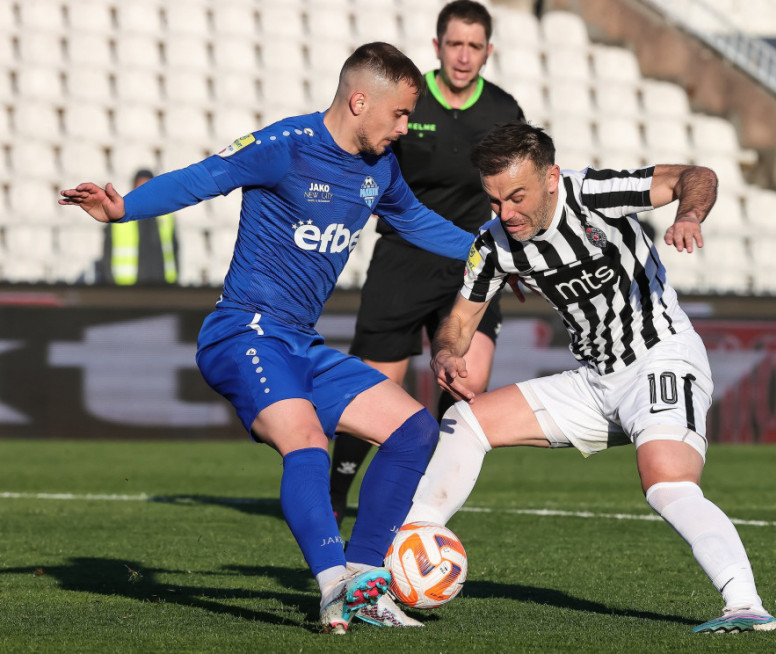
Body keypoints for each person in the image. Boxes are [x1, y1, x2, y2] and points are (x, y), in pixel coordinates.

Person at [59, 43, 474, 634]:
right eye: (401, 113)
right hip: (243, 330)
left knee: (414, 431)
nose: (405, 127)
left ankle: (364, 581)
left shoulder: (380, 167)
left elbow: (416, 221)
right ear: (360, 101)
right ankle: (332, 587)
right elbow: (204, 177)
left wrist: (492, 253)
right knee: (306, 438)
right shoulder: (285, 145)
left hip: (300, 343)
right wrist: (124, 208)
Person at [405, 123, 776, 634]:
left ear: (551, 179)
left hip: (659, 355)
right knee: (465, 422)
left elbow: (695, 175)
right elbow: (460, 319)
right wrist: (447, 353)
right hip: (596, 381)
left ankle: (744, 603)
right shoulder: (493, 245)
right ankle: (412, 545)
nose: (505, 213)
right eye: (494, 201)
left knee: (665, 482)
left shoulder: (593, 195)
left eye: (517, 197)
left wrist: (688, 215)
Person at [330, 0, 524, 526]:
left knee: (466, 384)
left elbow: (520, 188)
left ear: (488, 51)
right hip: (402, 256)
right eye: (454, 44)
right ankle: (336, 491)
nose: (463, 55)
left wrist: (518, 254)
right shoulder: (406, 102)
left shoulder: (503, 110)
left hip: (472, 265)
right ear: (437, 46)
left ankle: (425, 505)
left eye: (474, 46)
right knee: (375, 388)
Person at [99, 168, 178, 285]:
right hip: (128, 286)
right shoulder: (119, 215)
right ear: (133, 188)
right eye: (141, 187)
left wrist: (174, 280)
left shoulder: (167, 215)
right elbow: (107, 252)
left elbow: (174, 248)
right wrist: (109, 281)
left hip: (162, 283)